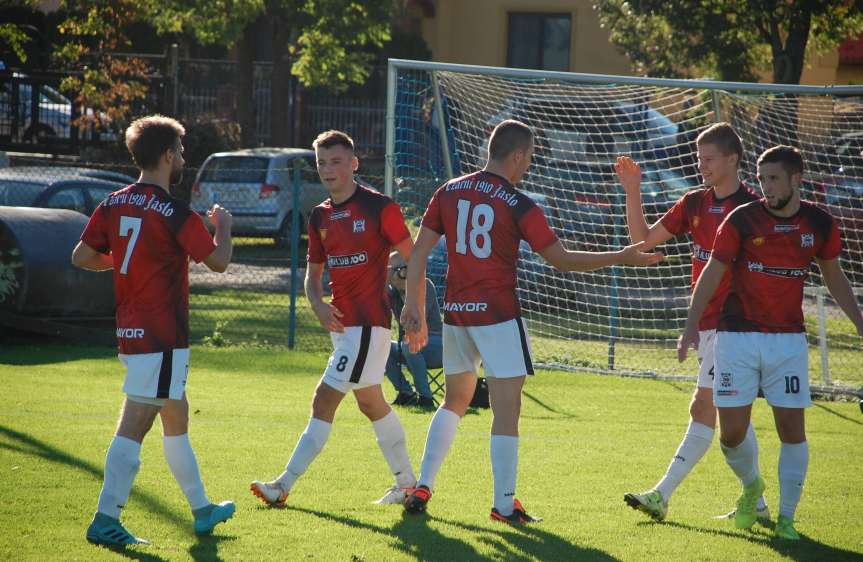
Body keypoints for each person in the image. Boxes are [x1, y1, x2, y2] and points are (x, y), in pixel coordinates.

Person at [400, 119, 664, 524]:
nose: (528, 167)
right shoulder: (518, 202)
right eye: (529, 159)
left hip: (456, 314)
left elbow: (417, 253)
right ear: (517, 156)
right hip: (499, 317)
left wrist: (412, 306)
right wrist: (620, 256)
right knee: (507, 411)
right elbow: (560, 260)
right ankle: (504, 505)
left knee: (454, 401)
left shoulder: (448, 191)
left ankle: (424, 483)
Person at [679, 145, 863, 540]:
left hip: (788, 342)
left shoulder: (820, 223)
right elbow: (711, 273)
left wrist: (860, 322)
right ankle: (751, 486)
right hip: (736, 337)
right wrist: (691, 323)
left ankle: (787, 518)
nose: (766, 187)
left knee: (792, 430)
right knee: (730, 434)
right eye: (762, 179)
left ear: (797, 179)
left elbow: (834, 276)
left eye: (774, 178)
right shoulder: (741, 219)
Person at [72, 115, 235, 546]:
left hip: (132, 330)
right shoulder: (175, 212)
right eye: (180, 152)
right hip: (160, 336)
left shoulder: (113, 202)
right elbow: (219, 262)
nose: (183, 158)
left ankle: (201, 510)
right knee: (136, 423)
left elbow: (81, 255)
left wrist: (122, 260)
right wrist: (225, 229)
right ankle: (106, 519)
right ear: (167, 155)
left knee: (175, 413)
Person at [250, 130, 419, 507]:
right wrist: (317, 303)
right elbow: (312, 277)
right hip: (343, 330)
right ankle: (408, 483)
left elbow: (415, 256)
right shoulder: (320, 216)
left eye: (336, 161)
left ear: (354, 164)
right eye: (321, 162)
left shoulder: (379, 207)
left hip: (366, 326)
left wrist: (414, 308)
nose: (327, 169)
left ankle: (282, 486)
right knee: (371, 402)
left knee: (323, 400)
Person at [616, 122, 768, 521]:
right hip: (706, 325)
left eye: (709, 158)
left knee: (705, 407)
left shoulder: (754, 209)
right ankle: (760, 502)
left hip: (736, 325)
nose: (701, 165)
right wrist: (633, 190)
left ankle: (661, 495)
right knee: (728, 412)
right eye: (699, 158)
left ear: (732, 159)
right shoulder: (694, 203)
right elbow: (643, 238)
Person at [385, 251, 442, 409]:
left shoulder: (424, 285)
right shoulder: (393, 292)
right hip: (409, 347)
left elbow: (415, 323)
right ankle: (406, 393)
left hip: (437, 345)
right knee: (382, 346)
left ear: (404, 270)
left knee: (408, 344)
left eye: (390, 269)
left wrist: (405, 286)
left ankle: (426, 398)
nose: (388, 273)